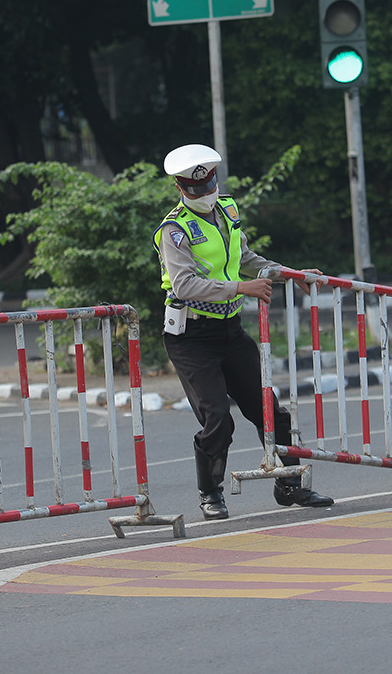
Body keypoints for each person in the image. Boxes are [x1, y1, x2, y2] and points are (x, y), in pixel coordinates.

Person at [154, 143, 335, 520]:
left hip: (230, 331)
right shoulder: (174, 230)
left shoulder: (228, 210)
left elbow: (245, 257)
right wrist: (240, 287)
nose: (205, 194)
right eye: (196, 190)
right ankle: (211, 493)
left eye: (209, 186)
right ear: (180, 189)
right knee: (218, 417)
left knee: (270, 411)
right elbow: (184, 284)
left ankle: (290, 484)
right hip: (191, 337)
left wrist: (291, 274)